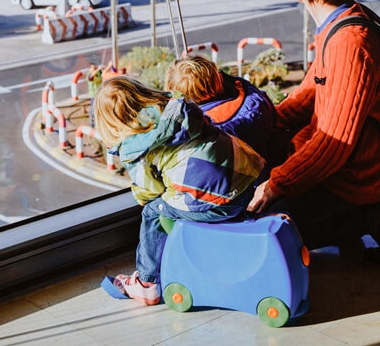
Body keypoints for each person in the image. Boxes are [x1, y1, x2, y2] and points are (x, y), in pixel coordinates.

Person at [247, 0, 380, 264]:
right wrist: (254, 124)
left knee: (267, 226)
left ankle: (376, 216)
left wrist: (277, 184)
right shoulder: (339, 22)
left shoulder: (350, 44)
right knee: (258, 180)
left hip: (357, 175)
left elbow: (334, 145)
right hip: (345, 161)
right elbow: (307, 97)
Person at [94, 77, 264, 306]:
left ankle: (147, 282)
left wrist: (143, 196)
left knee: (153, 211)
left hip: (217, 201)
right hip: (247, 182)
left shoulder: (135, 147)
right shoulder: (178, 109)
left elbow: (149, 190)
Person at [164, 55, 276, 161]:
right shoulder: (249, 93)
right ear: (218, 77)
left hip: (246, 178)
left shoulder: (211, 125)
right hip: (268, 162)